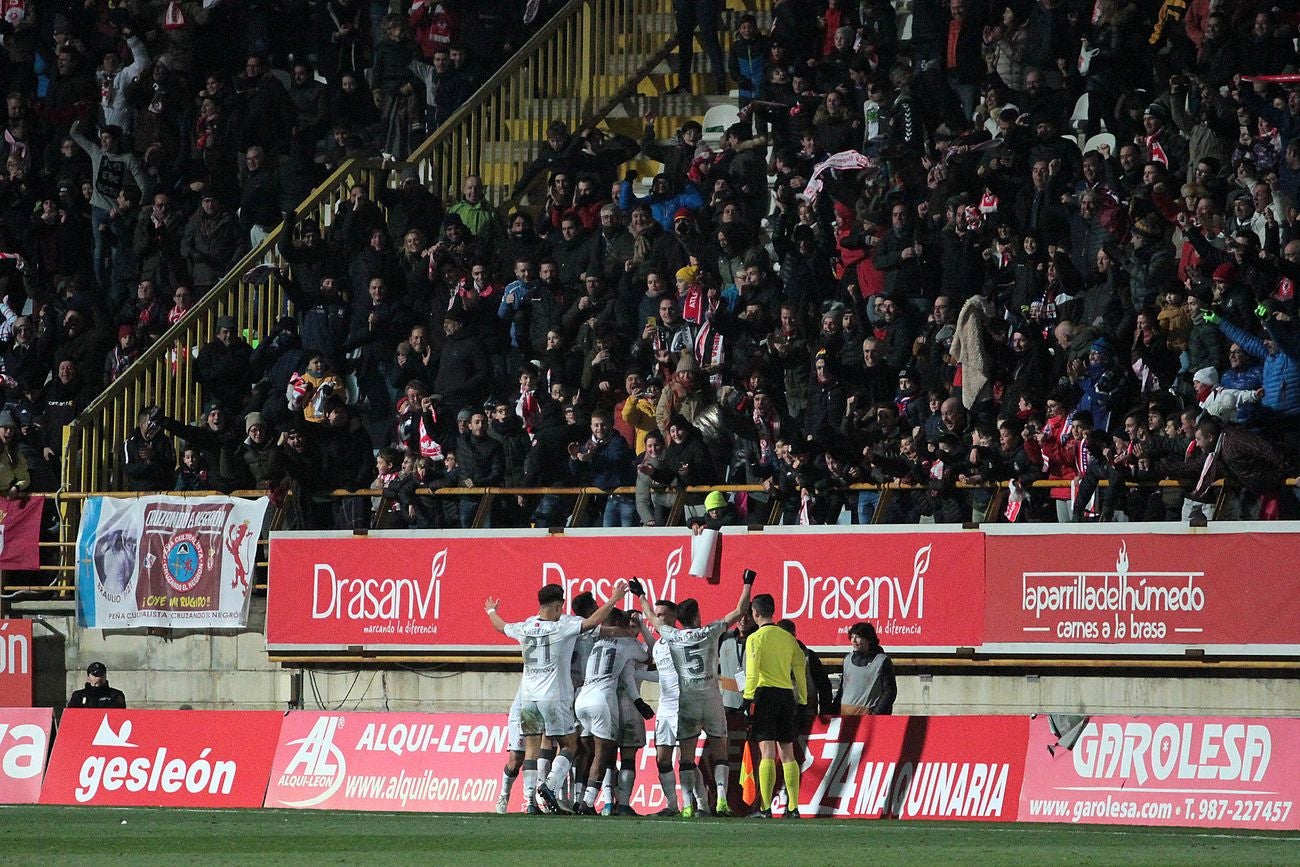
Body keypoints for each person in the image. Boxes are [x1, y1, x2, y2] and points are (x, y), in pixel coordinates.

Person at [483, 580, 628, 814]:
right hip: (554, 697)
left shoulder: (526, 626)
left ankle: (530, 803)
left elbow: (501, 626)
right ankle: (549, 785)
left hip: (528, 698)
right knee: (569, 744)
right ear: (558, 605)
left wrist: (491, 610)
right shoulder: (562, 627)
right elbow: (593, 621)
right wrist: (614, 599)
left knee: (532, 747)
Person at [635, 568, 755, 817]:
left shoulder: (673, 635)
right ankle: (721, 800)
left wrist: (642, 596)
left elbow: (651, 617)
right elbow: (740, 611)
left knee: (686, 758)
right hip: (711, 699)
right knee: (720, 751)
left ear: (679, 618)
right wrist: (747, 583)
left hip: (686, 702)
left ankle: (688, 804)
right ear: (698, 615)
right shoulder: (711, 631)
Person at [743, 591, 807, 819]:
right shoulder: (788, 638)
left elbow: (752, 672)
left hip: (765, 696)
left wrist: (747, 698)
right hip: (786, 696)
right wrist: (802, 697)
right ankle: (793, 808)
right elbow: (800, 666)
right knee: (788, 752)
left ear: (756, 613)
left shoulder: (755, 639)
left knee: (767, 752)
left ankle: (766, 807)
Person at [834, 622, 897, 715]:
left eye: (858, 637)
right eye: (852, 637)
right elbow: (842, 689)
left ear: (869, 639)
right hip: (845, 715)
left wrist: (876, 713)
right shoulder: (847, 660)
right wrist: (834, 710)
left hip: (868, 718)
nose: (854, 641)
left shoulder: (882, 661)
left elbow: (889, 692)